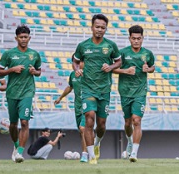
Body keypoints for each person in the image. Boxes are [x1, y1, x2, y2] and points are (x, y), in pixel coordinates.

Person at [72, 14, 122, 164]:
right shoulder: (83, 46)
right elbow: (75, 60)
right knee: (89, 118)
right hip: (87, 89)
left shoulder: (110, 46)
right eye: (97, 27)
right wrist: (77, 69)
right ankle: (90, 155)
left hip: (104, 89)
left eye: (102, 27)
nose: (99, 30)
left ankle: (97, 141)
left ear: (106, 29)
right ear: (92, 27)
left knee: (101, 125)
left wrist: (111, 66)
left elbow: (119, 61)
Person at [0, 25, 42, 164]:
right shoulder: (9, 54)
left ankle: (20, 152)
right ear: (16, 38)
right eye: (21, 37)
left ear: (30, 38)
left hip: (27, 92)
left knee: (24, 122)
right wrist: (12, 69)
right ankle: (16, 145)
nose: (23, 39)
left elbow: (39, 71)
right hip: (12, 93)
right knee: (13, 124)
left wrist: (34, 72)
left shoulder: (34, 54)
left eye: (26, 37)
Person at [114, 25, 155, 163]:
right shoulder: (123, 53)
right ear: (129, 38)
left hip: (140, 91)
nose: (136, 41)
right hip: (125, 91)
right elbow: (112, 68)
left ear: (142, 38)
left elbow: (153, 67)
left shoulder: (148, 53)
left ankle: (134, 153)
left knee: (136, 120)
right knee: (127, 122)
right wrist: (125, 71)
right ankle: (130, 141)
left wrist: (148, 69)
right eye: (133, 38)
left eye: (139, 38)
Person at [55, 57, 88, 161]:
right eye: (75, 63)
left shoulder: (90, 74)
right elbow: (70, 87)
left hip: (88, 105)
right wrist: (60, 98)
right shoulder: (73, 75)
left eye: (80, 62)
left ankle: (84, 154)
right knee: (81, 131)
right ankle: (91, 147)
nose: (77, 65)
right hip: (77, 106)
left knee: (83, 129)